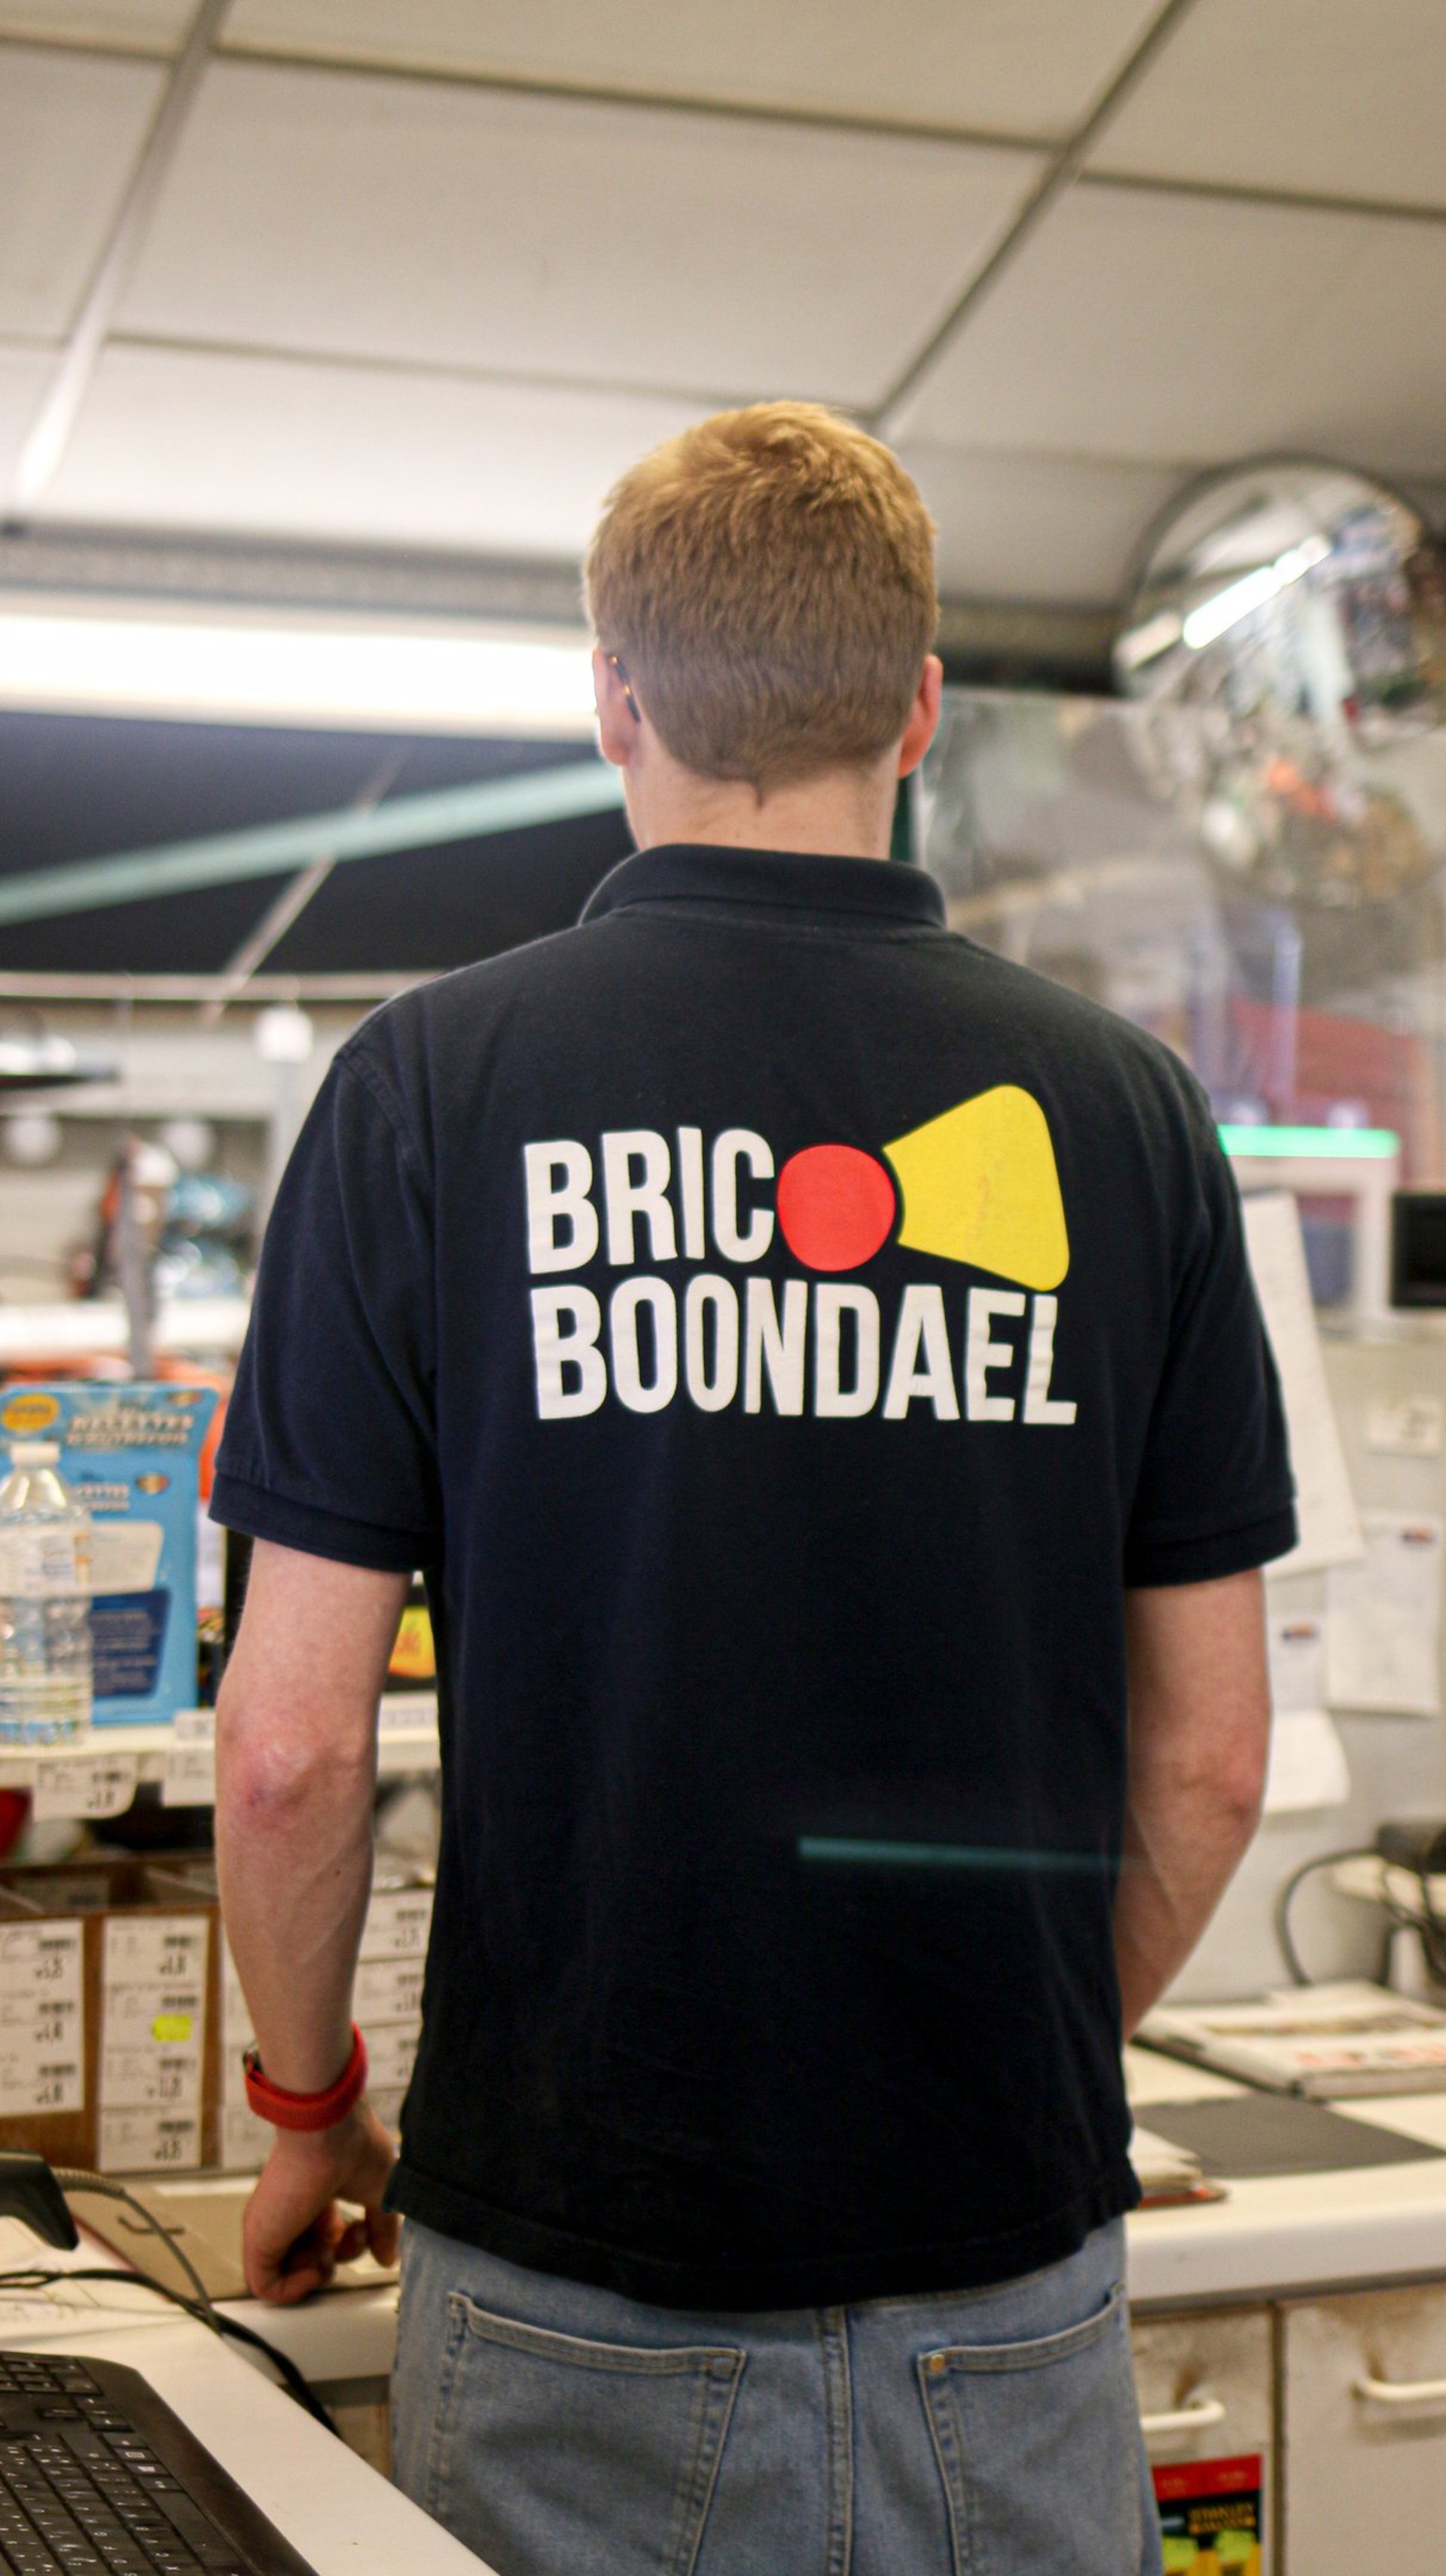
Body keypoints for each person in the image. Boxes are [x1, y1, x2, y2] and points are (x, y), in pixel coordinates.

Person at [212, 402, 1293, 2576]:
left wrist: (308, 2115)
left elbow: (293, 1743)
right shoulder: (1132, 1118)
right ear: (919, 704)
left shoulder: (431, 1088)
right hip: (1008, 2287)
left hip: (577, 2287)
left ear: (613, 699)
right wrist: (1000, 2074)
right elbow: (1212, 1767)